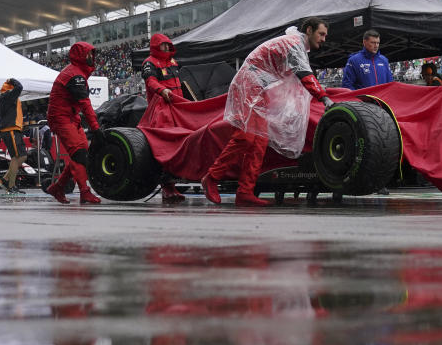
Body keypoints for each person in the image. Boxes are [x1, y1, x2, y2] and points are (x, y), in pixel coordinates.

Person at [201, 17, 334, 206]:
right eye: (321, 34)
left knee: (260, 141)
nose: (324, 39)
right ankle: (212, 178)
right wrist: (324, 98)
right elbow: (304, 75)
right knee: (245, 137)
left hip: (257, 89)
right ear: (310, 30)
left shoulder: (295, 45)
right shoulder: (294, 44)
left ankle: (245, 191)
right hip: (249, 85)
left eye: (325, 35)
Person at [46, 41, 103, 205]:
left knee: (80, 154)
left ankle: (58, 187)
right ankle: (85, 192)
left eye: (92, 54)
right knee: (79, 154)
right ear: (81, 56)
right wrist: (95, 128)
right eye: (89, 54)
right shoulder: (75, 75)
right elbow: (85, 104)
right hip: (61, 117)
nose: (92, 57)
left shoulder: (76, 73)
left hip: (69, 117)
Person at [141, 33, 187, 203]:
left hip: (176, 108)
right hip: (161, 110)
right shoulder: (149, 63)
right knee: (166, 147)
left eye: (168, 45)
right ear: (156, 46)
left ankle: (172, 186)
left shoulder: (173, 62)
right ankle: (167, 187)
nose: (167, 47)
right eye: (163, 45)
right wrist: (162, 91)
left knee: (178, 145)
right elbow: (151, 82)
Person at [0, 78, 27, 194]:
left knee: (22, 156)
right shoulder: (8, 95)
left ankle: (4, 180)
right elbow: (19, 87)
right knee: (17, 157)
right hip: (11, 129)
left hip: (13, 129)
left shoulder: (7, 97)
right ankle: (10, 185)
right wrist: (12, 80)